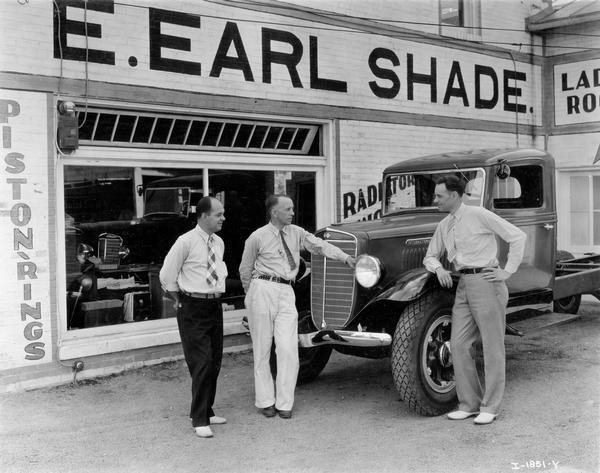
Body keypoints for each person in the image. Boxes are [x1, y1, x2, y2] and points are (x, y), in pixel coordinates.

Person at [239, 194, 356, 419]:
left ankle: (285, 403)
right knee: (262, 349)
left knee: (287, 347)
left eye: (293, 208)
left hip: (286, 291)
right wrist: (250, 295)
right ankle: (266, 401)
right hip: (262, 288)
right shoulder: (257, 237)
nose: (293, 212)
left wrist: (345, 258)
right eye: (288, 209)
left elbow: (320, 246)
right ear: (274, 212)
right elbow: (245, 269)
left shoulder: (297, 233)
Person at [423, 175, 526, 425]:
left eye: (440, 196)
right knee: (458, 345)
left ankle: (490, 406)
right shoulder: (445, 224)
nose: (435, 200)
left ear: (455, 196)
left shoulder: (479, 214)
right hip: (463, 285)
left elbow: (518, 236)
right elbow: (430, 256)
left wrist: (507, 271)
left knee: (492, 346)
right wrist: (438, 269)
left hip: (487, 283)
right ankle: (468, 404)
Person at [159, 196, 227, 438]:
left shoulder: (218, 243)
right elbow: (167, 274)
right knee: (202, 362)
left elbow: (217, 272)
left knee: (215, 360)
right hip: (192, 307)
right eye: (218, 214)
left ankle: (207, 411)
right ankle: (198, 419)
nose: (223, 218)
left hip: (213, 306)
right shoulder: (185, 241)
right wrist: (177, 299)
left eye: (223, 214)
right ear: (204, 215)